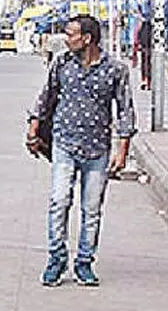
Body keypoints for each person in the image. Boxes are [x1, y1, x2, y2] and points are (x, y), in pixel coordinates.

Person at [26, 15, 136, 287]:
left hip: (97, 149)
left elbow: (125, 110)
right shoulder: (61, 63)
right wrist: (33, 129)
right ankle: (56, 258)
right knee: (59, 200)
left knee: (92, 208)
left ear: (87, 39)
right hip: (64, 142)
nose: (66, 39)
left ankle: (85, 262)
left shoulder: (115, 70)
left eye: (71, 34)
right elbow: (46, 96)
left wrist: (122, 150)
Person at [135, 15, 153, 90]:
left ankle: (144, 81)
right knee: (148, 65)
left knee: (143, 65)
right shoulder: (150, 28)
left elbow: (139, 38)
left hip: (143, 49)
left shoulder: (143, 28)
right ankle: (147, 82)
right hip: (148, 49)